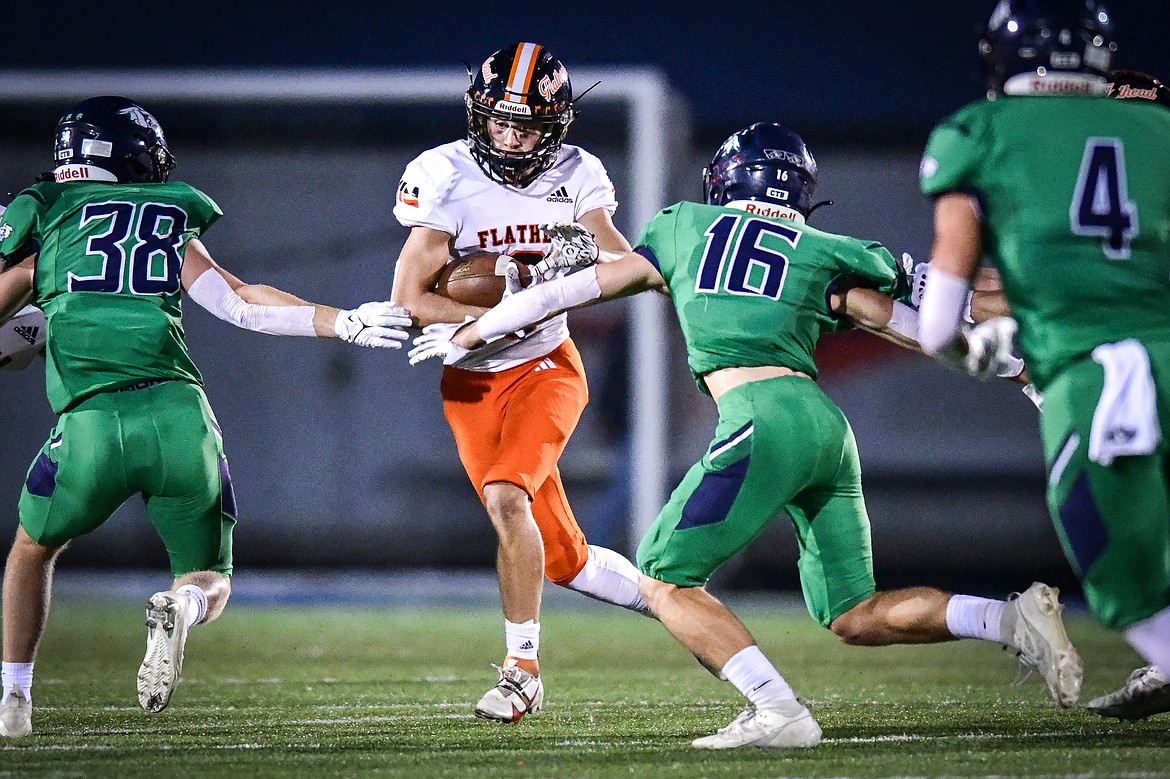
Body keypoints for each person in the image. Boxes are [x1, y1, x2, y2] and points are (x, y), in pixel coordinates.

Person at [410, 121, 1082, 748]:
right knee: (854, 611)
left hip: (759, 418)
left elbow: (573, 290)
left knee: (665, 578)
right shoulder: (827, 250)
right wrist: (1023, 363)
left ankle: (778, 708)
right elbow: (914, 318)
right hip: (824, 428)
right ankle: (1009, 619)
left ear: (726, 179)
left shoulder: (682, 227)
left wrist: (475, 327)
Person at [0, 96, 412, 738]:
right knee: (208, 577)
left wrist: (29, 333)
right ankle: (181, 607)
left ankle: (15, 698)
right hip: (178, 418)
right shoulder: (168, 214)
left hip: (88, 424)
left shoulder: (44, 223)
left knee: (33, 551)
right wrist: (345, 322)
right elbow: (240, 304)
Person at [917, 0, 1170, 722]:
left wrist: (984, 348)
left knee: (1126, 581)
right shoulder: (1158, 129)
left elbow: (942, 323)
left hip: (1098, 382)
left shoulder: (979, 133)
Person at [389, 42, 648, 723]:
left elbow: (622, 261)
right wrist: (488, 307)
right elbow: (410, 297)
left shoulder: (577, 173)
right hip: (470, 382)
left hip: (546, 366)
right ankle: (673, 599)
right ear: (477, 114)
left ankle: (521, 670)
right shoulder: (441, 173)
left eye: (525, 125)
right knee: (564, 558)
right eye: (498, 122)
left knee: (508, 498)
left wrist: (574, 259)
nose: (508, 137)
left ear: (555, 124)